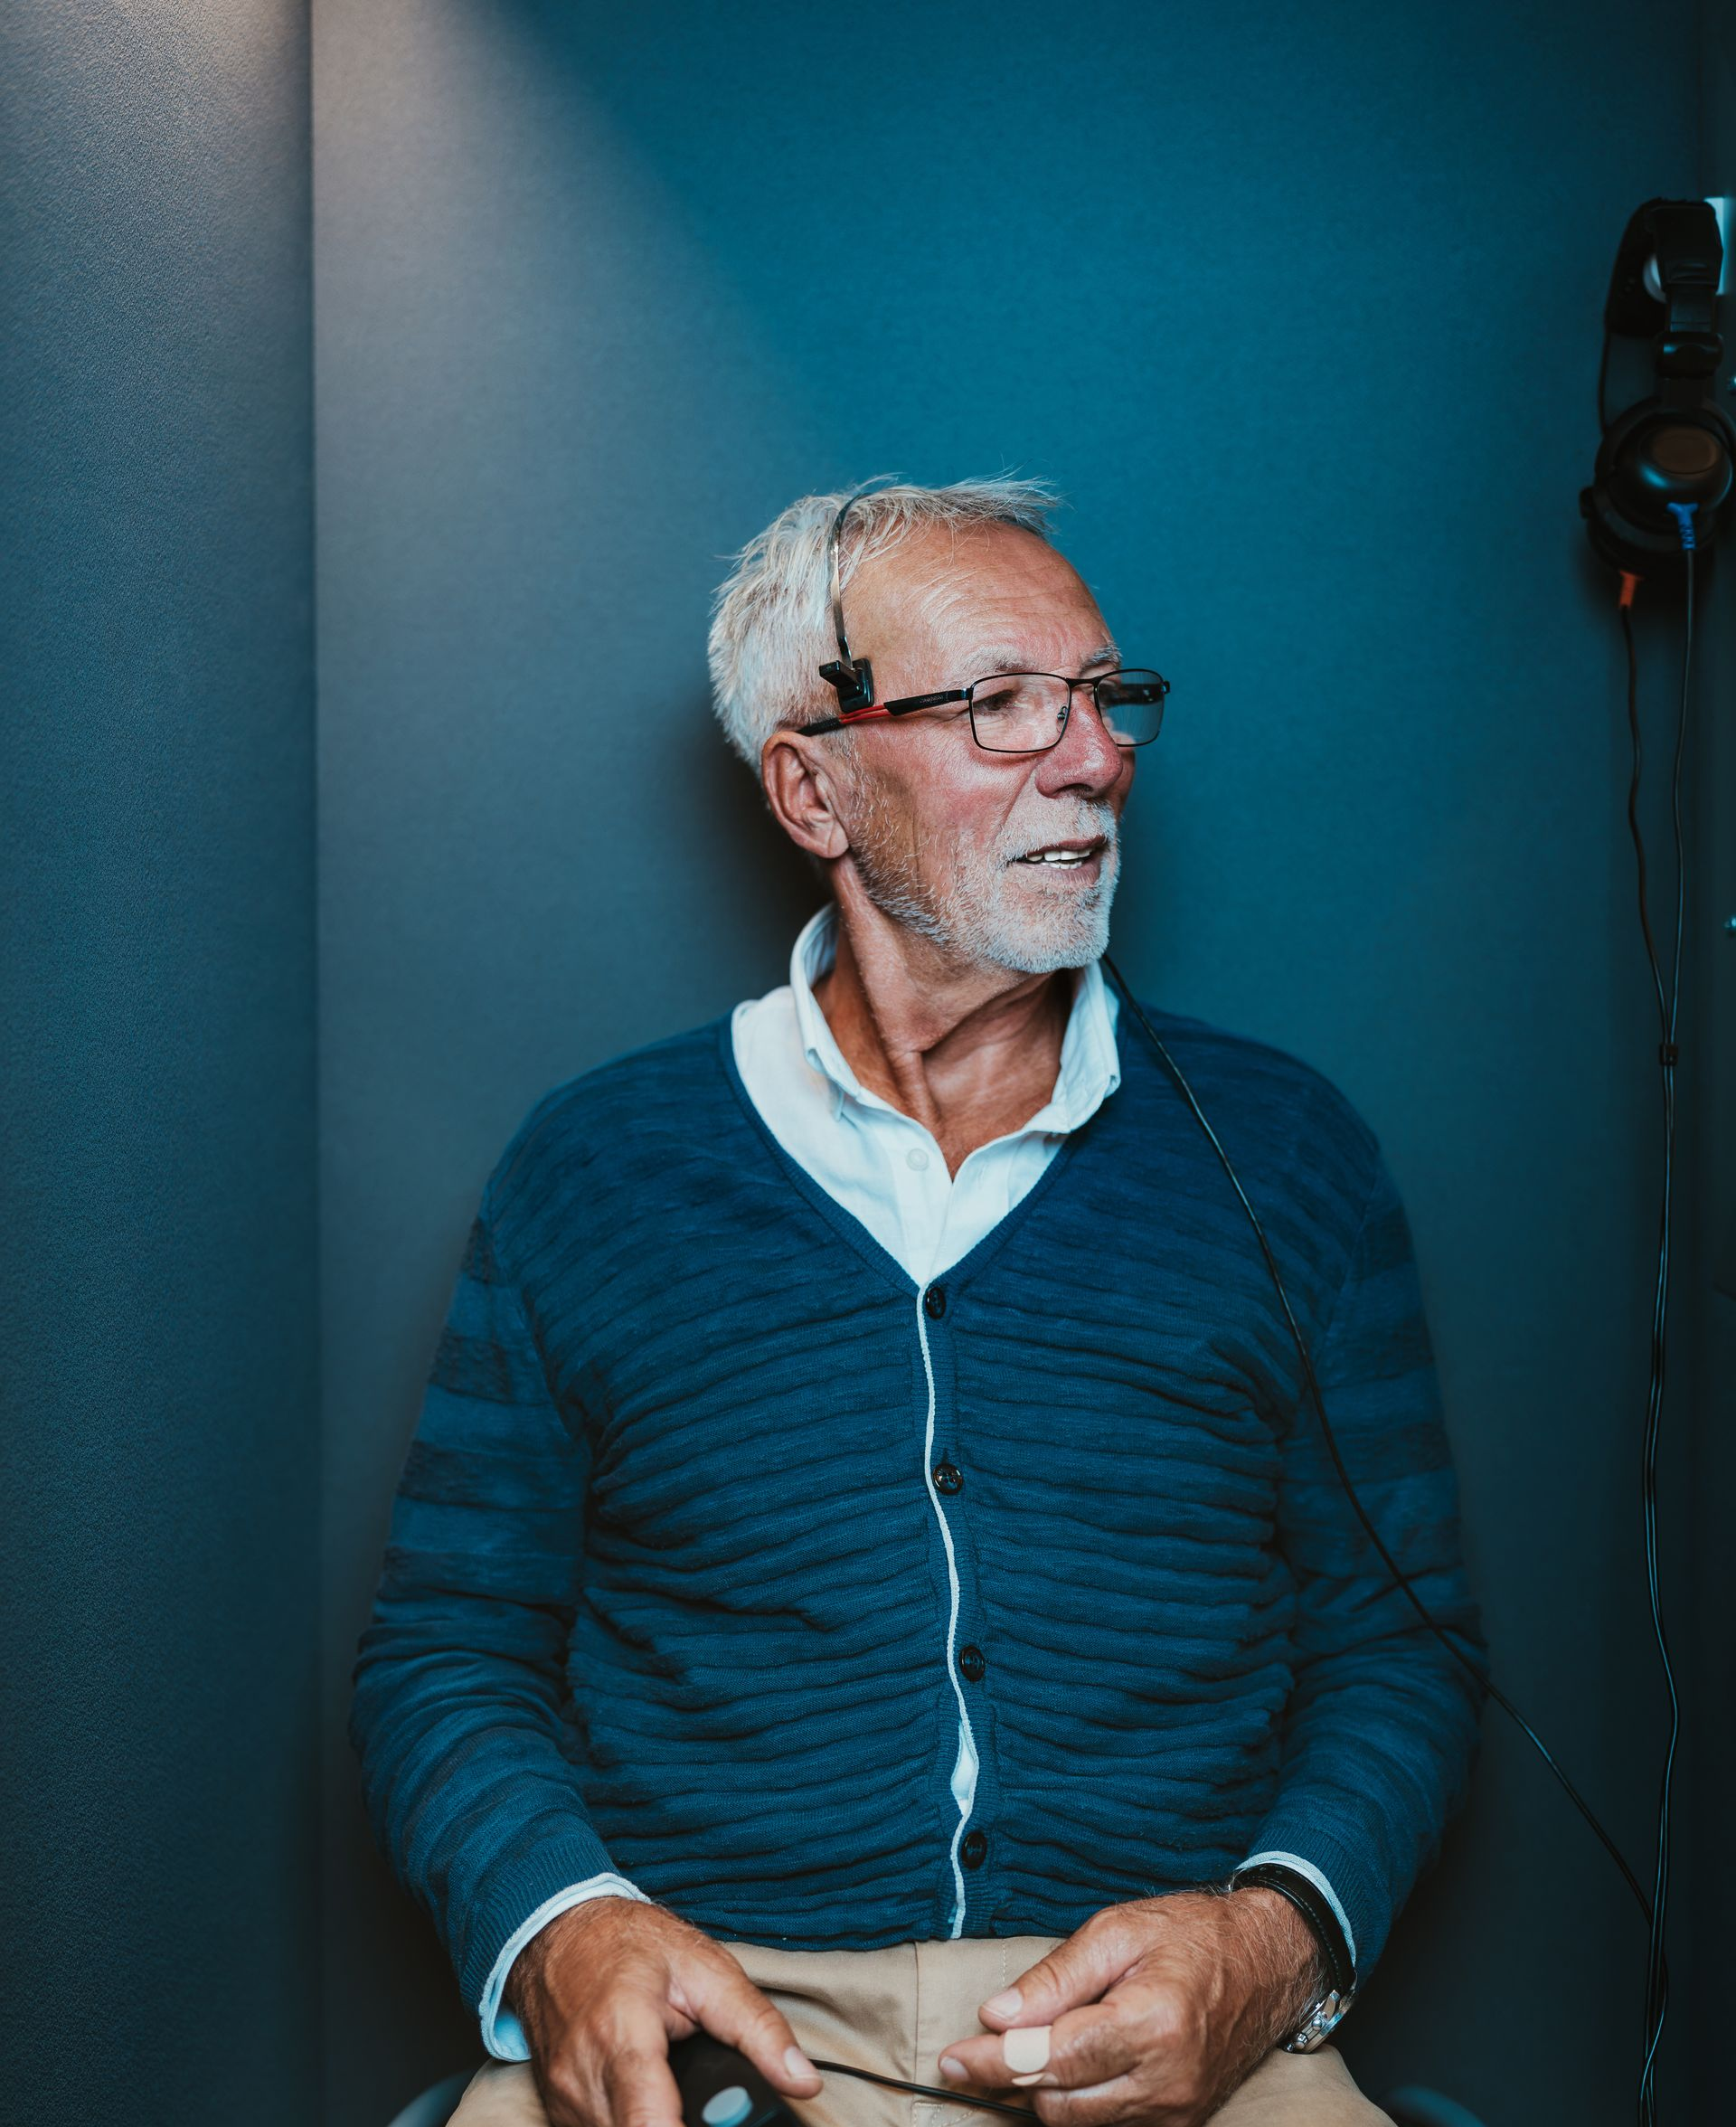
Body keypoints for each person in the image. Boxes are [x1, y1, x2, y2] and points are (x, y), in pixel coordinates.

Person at [351, 478, 1486, 2127]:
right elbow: (447, 1648)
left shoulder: (1290, 1156)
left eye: (1103, 700)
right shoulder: (592, 1172)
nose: (1091, 756)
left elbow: (1405, 1647)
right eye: (1003, 706)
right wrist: (562, 1931)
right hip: (724, 2023)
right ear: (813, 788)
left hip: (1177, 2023)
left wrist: (1273, 1941)